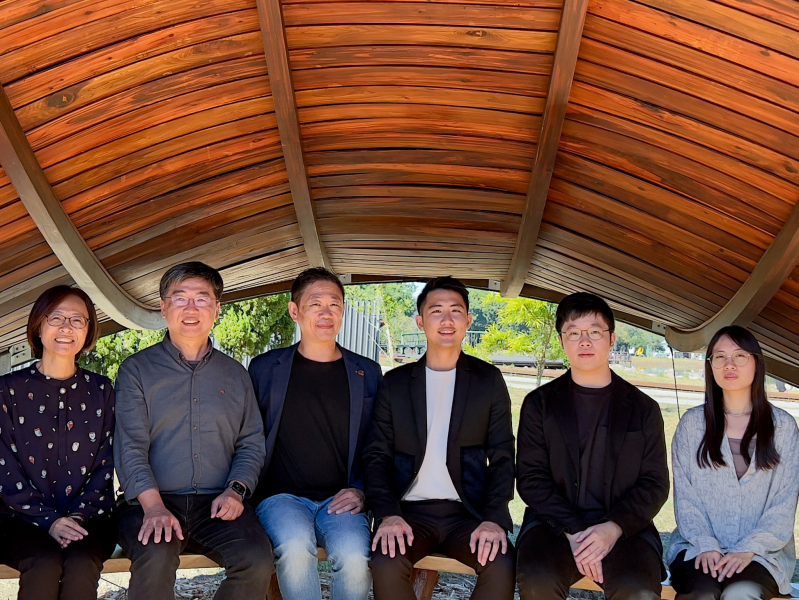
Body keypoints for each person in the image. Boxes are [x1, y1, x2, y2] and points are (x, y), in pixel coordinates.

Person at [114, 262, 272, 600]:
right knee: (156, 555)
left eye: (202, 299)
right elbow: (130, 447)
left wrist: (235, 491)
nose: (190, 308)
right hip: (150, 501)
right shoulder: (136, 371)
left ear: (216, 309)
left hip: (218, 503)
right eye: (180, 298)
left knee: (257, 560)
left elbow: (250, 444)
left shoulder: (236, 374)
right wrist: (154, 507)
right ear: (163, 307)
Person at [364, 276, 516, 600]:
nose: (447, 320)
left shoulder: (488, 380)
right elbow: (376, 456)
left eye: (455, 311)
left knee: (501, 562)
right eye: (436, 311)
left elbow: (503, 456)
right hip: (408, 512)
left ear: (468, 320)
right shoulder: (395, 384)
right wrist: (387, 513)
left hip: (468, 513)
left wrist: (493, 518)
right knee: (385, 561)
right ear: (420, 321)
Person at [516, 292, 669, 600]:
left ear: (611, 339)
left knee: (637, 589)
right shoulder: (539, 404)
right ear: (562, 341)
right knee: (538, 579)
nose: (584, 342)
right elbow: (531, 478)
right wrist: (573, 531)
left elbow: (654, 483)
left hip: (625, 528)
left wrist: (612, 528)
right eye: (574, 333)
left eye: (595, 332)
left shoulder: (643, 408)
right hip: (553, 525)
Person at [248, 267, 382, 600]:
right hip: (280, 497)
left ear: (343, 311)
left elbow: (378, 443)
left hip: (342, 498)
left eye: (334, 304)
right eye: (315, 304)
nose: (326, 313)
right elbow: (247, 437)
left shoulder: (367, 372)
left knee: (354, 559)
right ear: (294, 311)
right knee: (295, 548)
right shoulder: (265, 369)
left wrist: (362, 491)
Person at [0, 285, 116, 600]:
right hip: (18, 518)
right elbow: (4, 468)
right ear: (38, 326)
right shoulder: (7, 390)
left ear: (88, 330)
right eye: (56, 318)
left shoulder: (102, 390)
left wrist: (76, 518)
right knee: (44, 562)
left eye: (77, 320)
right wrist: (50, 521)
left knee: (81, 562)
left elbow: (106, 463)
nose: (66, 327)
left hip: (89, 518)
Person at [667, 326, 799, 600]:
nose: (729, 364)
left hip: (763, 554)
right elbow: (686, 499)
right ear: (710, 366)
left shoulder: (783, 428)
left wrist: (749, 548)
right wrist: (706, 544)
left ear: (756, 363)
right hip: (697, 548)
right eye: (720, 357)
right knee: (702, 593)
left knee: (740, 593)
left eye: (740, 356)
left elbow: (784, 503)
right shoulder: (692, 425)